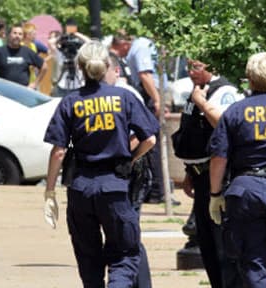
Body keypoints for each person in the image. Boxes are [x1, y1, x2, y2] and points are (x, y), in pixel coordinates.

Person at [43, 41, 158, 287]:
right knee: (124, 257)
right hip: (115, 186)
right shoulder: (124, 98)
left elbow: (58, 152)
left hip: (81, 187)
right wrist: (131, 159)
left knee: (89, 259)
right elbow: (149, 139)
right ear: (107, 65)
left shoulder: (70, 102)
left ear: (81, 68)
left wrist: (49, 191)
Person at [208, 52, 266, 288]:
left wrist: (215, 194)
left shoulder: (235, 111)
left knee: (252, 261)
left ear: (249, 78)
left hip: (247, 192)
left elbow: (219, 157)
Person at [171, 59, 244, 288]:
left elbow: (224, 126)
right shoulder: (197, 92)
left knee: (224, 248)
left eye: (197, 67)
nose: (191, 72)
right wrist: (189, 173)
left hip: (219, 178)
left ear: (213, 67)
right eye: (189, 67)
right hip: (200, 176)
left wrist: (202, 103)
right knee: (208, 247)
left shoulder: (225, 91)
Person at [104, 54, 154, 288]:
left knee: (128, 234)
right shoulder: (106, 94)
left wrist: (126, 159)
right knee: (122, 233)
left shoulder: (126, 94)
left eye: (104, 69)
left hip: (131, 172)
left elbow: (144, 138)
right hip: (118, 173)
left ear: (116, 71)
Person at [111, 35, 172, 205]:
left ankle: (154, 190)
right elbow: (145, 75)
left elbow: (144, 75)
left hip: (151, 96)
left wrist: (157, 99)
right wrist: (158, 98)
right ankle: (156, 191)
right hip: (152, 95)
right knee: (152, 141)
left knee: (151, 141)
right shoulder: (144, 45)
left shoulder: (140, 46)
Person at [0, 24, 47, 89]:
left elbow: (44, 66)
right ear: (9, 35)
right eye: (15, 33)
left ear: (22, 37)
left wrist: (35, 84)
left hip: (23, 93)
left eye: (20, 34)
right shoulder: (0, 52)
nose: (17, 36)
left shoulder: (27, 52)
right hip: (3, 92)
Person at [48, 19, 90, 97]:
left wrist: (76, 34)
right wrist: (63, 36)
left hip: (78, 87)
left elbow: (90, 43)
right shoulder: (60, 53)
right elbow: (50, 42)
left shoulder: (79, 54)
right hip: (61, 87)